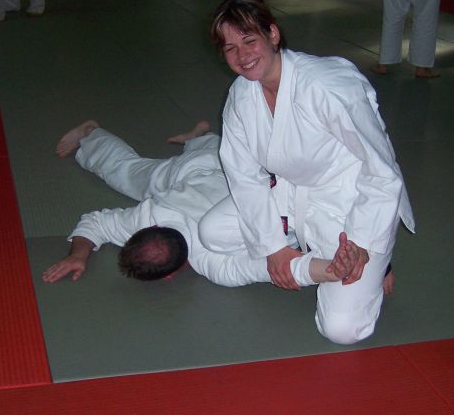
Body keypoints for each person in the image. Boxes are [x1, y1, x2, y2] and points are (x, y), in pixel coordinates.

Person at [200, 0, 415, 345]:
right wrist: (274, 248)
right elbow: (244, 177)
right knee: (212, 233)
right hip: (291, 194)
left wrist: (362, 243)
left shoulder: (327, 85)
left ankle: (376, 261)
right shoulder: (241, 95)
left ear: (272, 34)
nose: (242, 55)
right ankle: (303, 256)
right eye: (230, 48)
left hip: (352, 201)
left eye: (250, 40)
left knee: (342, 330)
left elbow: (381, 169)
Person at [43, 120, 365, 290]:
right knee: (135, 173)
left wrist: (333, 270)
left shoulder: (212, 261)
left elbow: (276, 268)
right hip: (217, 165)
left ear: (172, 275)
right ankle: (196, 137)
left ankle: (93, 132)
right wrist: (77, 254)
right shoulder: (149, 216)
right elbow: (96, 223)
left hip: (212, 170)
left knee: (128, 172)